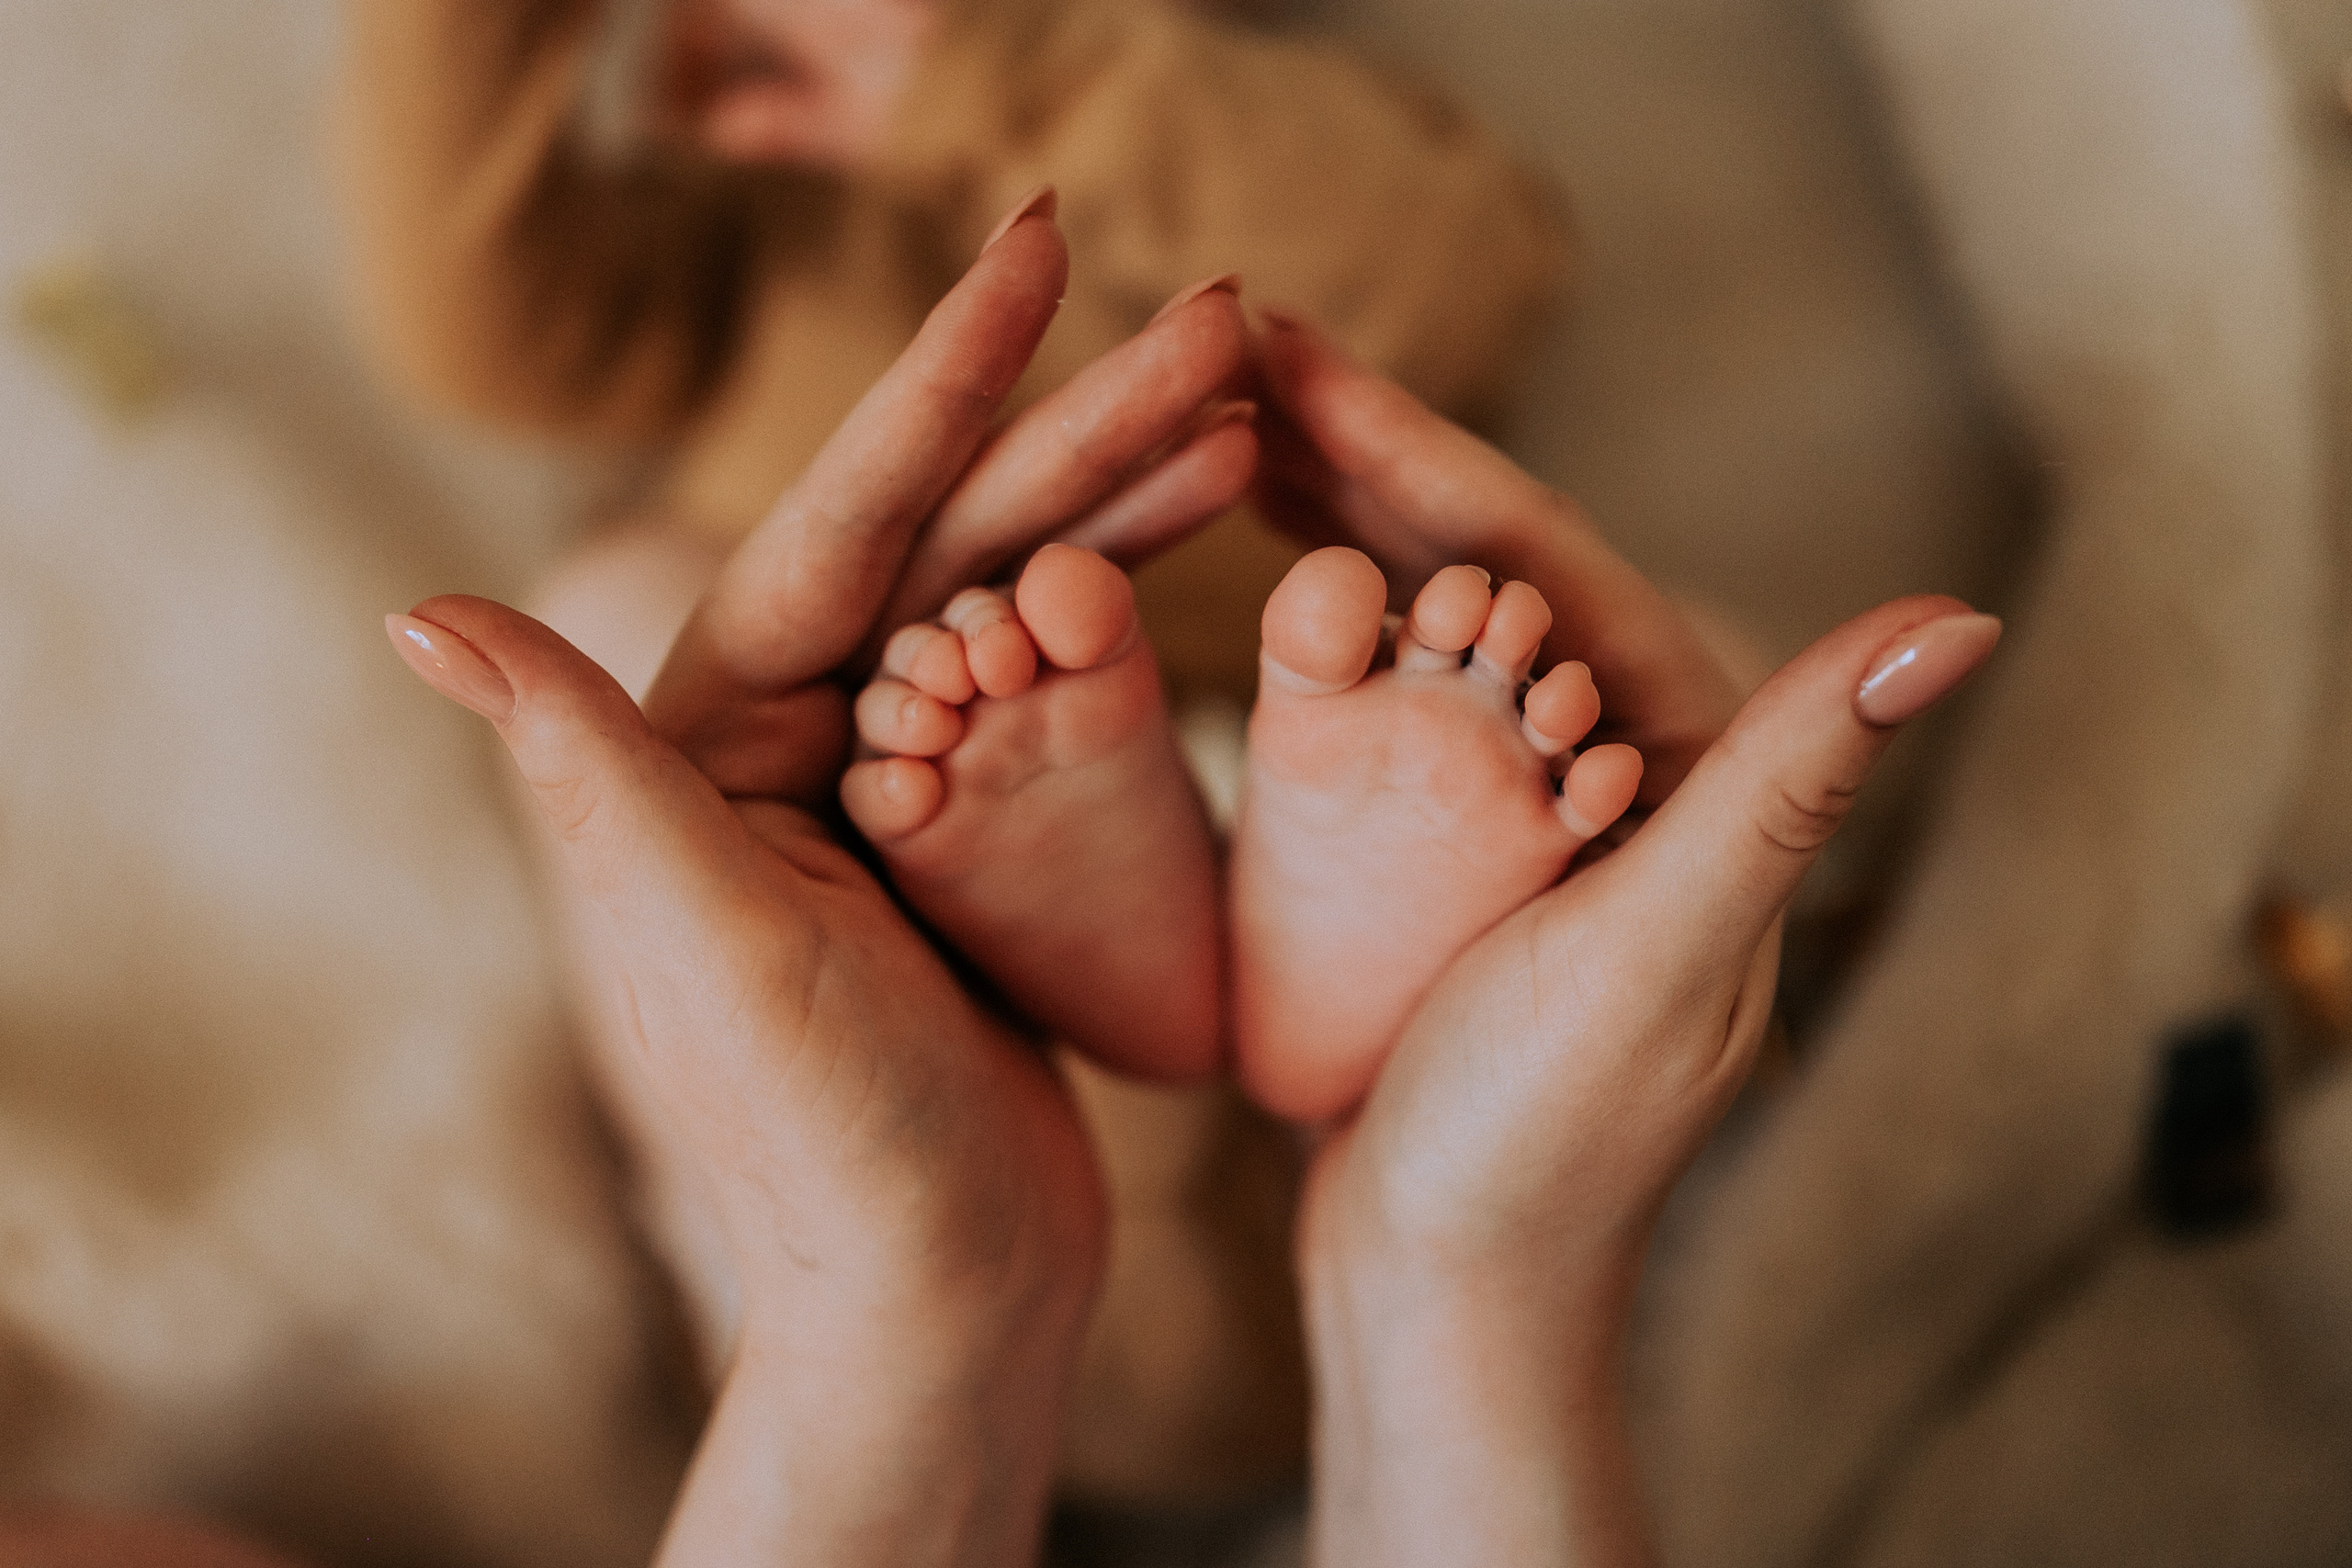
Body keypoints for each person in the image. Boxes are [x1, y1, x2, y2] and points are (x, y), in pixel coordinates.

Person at [375, 197, 1996, 1566]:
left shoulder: (1181, 78)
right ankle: (1213, 1023)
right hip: (1039, 865)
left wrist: (1035, 62)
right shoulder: (710, 183)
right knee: (629, 607)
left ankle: (1245, 990)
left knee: (1662, 700)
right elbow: (459, 292)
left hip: (1066, 787)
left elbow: (1470, 256)